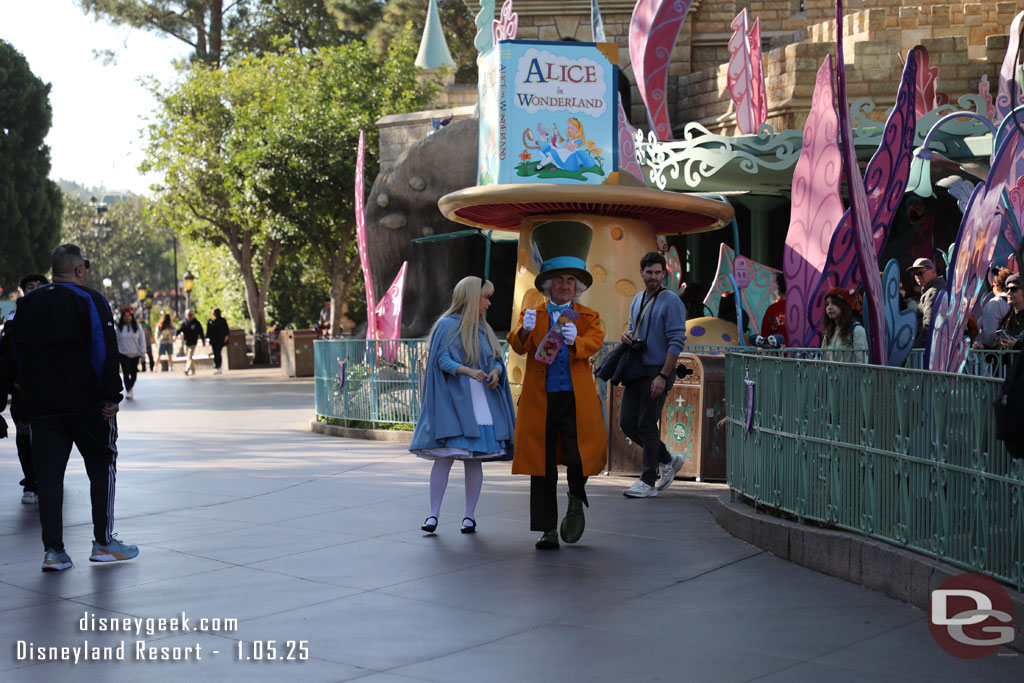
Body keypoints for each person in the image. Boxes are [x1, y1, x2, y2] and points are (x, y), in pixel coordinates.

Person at [11, 245, 138, 571]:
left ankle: (54, 551)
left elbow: (14, 353)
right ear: (79, 269)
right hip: (87, 405)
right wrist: (112, 395)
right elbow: (104, 350)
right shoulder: (91, 300)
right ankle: (103, 542)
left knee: (49, 478)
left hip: (42, 408)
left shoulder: (25, 305)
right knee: (101, 466)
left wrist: (27, 393)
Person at [508, 221, 607, 549]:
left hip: (576, 401)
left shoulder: (587, 316)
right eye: (559, 280)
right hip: (541, 401)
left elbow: (596, 341)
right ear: (548, 284)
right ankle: (547, 529)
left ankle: (576, 500)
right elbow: (518, 346)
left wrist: (576, 340)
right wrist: (524, 330)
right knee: (542, 463)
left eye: (571, 280)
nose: (565, 285)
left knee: (580, 457)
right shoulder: (533, 313)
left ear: (576, 286)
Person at [409, 276, 516, 534]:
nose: (489, 303)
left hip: (481, 405)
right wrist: (466, 371)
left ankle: (469, 516)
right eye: (485, 297)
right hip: (455, 405)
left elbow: (496, 360)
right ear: (470, 297)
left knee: (474, 461)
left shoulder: (484, 329)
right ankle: (433, 514)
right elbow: (440, 359)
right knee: (444, 460)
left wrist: (495, 373)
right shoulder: (447, 326)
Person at [620, 252, 688, 498]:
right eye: (649, 272)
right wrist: (626, 335)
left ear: (664, 274)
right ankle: (667, 460)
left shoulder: (671, 301)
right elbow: (631, 328)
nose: (654, 277)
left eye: (658, 272)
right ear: (641, 273)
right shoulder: (637, 299)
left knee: (647, 425)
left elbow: (676, 342)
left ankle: (647, 482)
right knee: (627, 423)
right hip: (637, 370)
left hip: (658, 370)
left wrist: (662, 375)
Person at [0, 273, 48, 505]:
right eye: (31, 286)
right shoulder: (13, 316)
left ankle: (47, 478)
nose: (35, 289)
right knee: (25, 435)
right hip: (23, 389)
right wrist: (15, 381)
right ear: (23, 291)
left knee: (51, 437)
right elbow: (6, 349)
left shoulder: (57, 314)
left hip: (52, 389)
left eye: (40, 286)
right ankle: (30, 481)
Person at [820, 287, 868, 363]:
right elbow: (822, 362)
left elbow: (862, 364)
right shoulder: (829, 332)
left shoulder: (857, 331)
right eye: (827, 304)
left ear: (844, 306)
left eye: (834, 303)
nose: (829, 307)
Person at [909, 258, 946, 348]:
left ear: (932, 271)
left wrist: (917, 347)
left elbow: (928, 325)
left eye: (920, 273)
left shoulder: (932, 292)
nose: (917, 276)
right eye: (914, 274)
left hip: (931, 350)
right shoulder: (939, 288)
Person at [974, 268, 1012, 349]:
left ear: (997, 286)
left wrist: (985, 347)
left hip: (996, 354)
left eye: (993, 286)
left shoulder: (994, 303)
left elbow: (989, 334)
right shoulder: (1017, 301)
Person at [114, 308, 147, 400]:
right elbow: (115, 341)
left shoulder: (137, 326)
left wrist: (143, 353)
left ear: (131, 316)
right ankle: (128, 390)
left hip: (135, 353)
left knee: (133, 374)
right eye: (125, 316)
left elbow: (142, 340)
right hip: (123, 353)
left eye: (129, 315)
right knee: (125, 373)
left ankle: (130, 387)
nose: (127, 317)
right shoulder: (119, 328)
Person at [996, 273, 1024, 351]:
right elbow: (1000, 351)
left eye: (1013, 289)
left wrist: (1017, 346)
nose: (1008, 293)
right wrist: (984, 349)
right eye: (1006, 289)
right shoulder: (1009, 318)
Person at [176, 309, 205, 376]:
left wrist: (203, 340)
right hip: (186, 342)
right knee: (189, 357)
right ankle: (193, 370)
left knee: (189, 356)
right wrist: (175, 336)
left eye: (191, 315)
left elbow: (201, 332)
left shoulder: (196, 323)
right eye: (188, 315)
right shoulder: (184, 323)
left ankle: (186, 369)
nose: (190, 316)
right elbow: (179, 330)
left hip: (193, 342)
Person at [207, 308, 230, 374]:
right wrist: (207, 339)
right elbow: (208, 331)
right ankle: (217, 366)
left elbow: (226, 329)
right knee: (215, 353)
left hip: (220, 339)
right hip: (213, 340)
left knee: (218, 352)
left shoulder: (222, 320)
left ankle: (218, 366)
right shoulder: (210, 321)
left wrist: (226, 337)